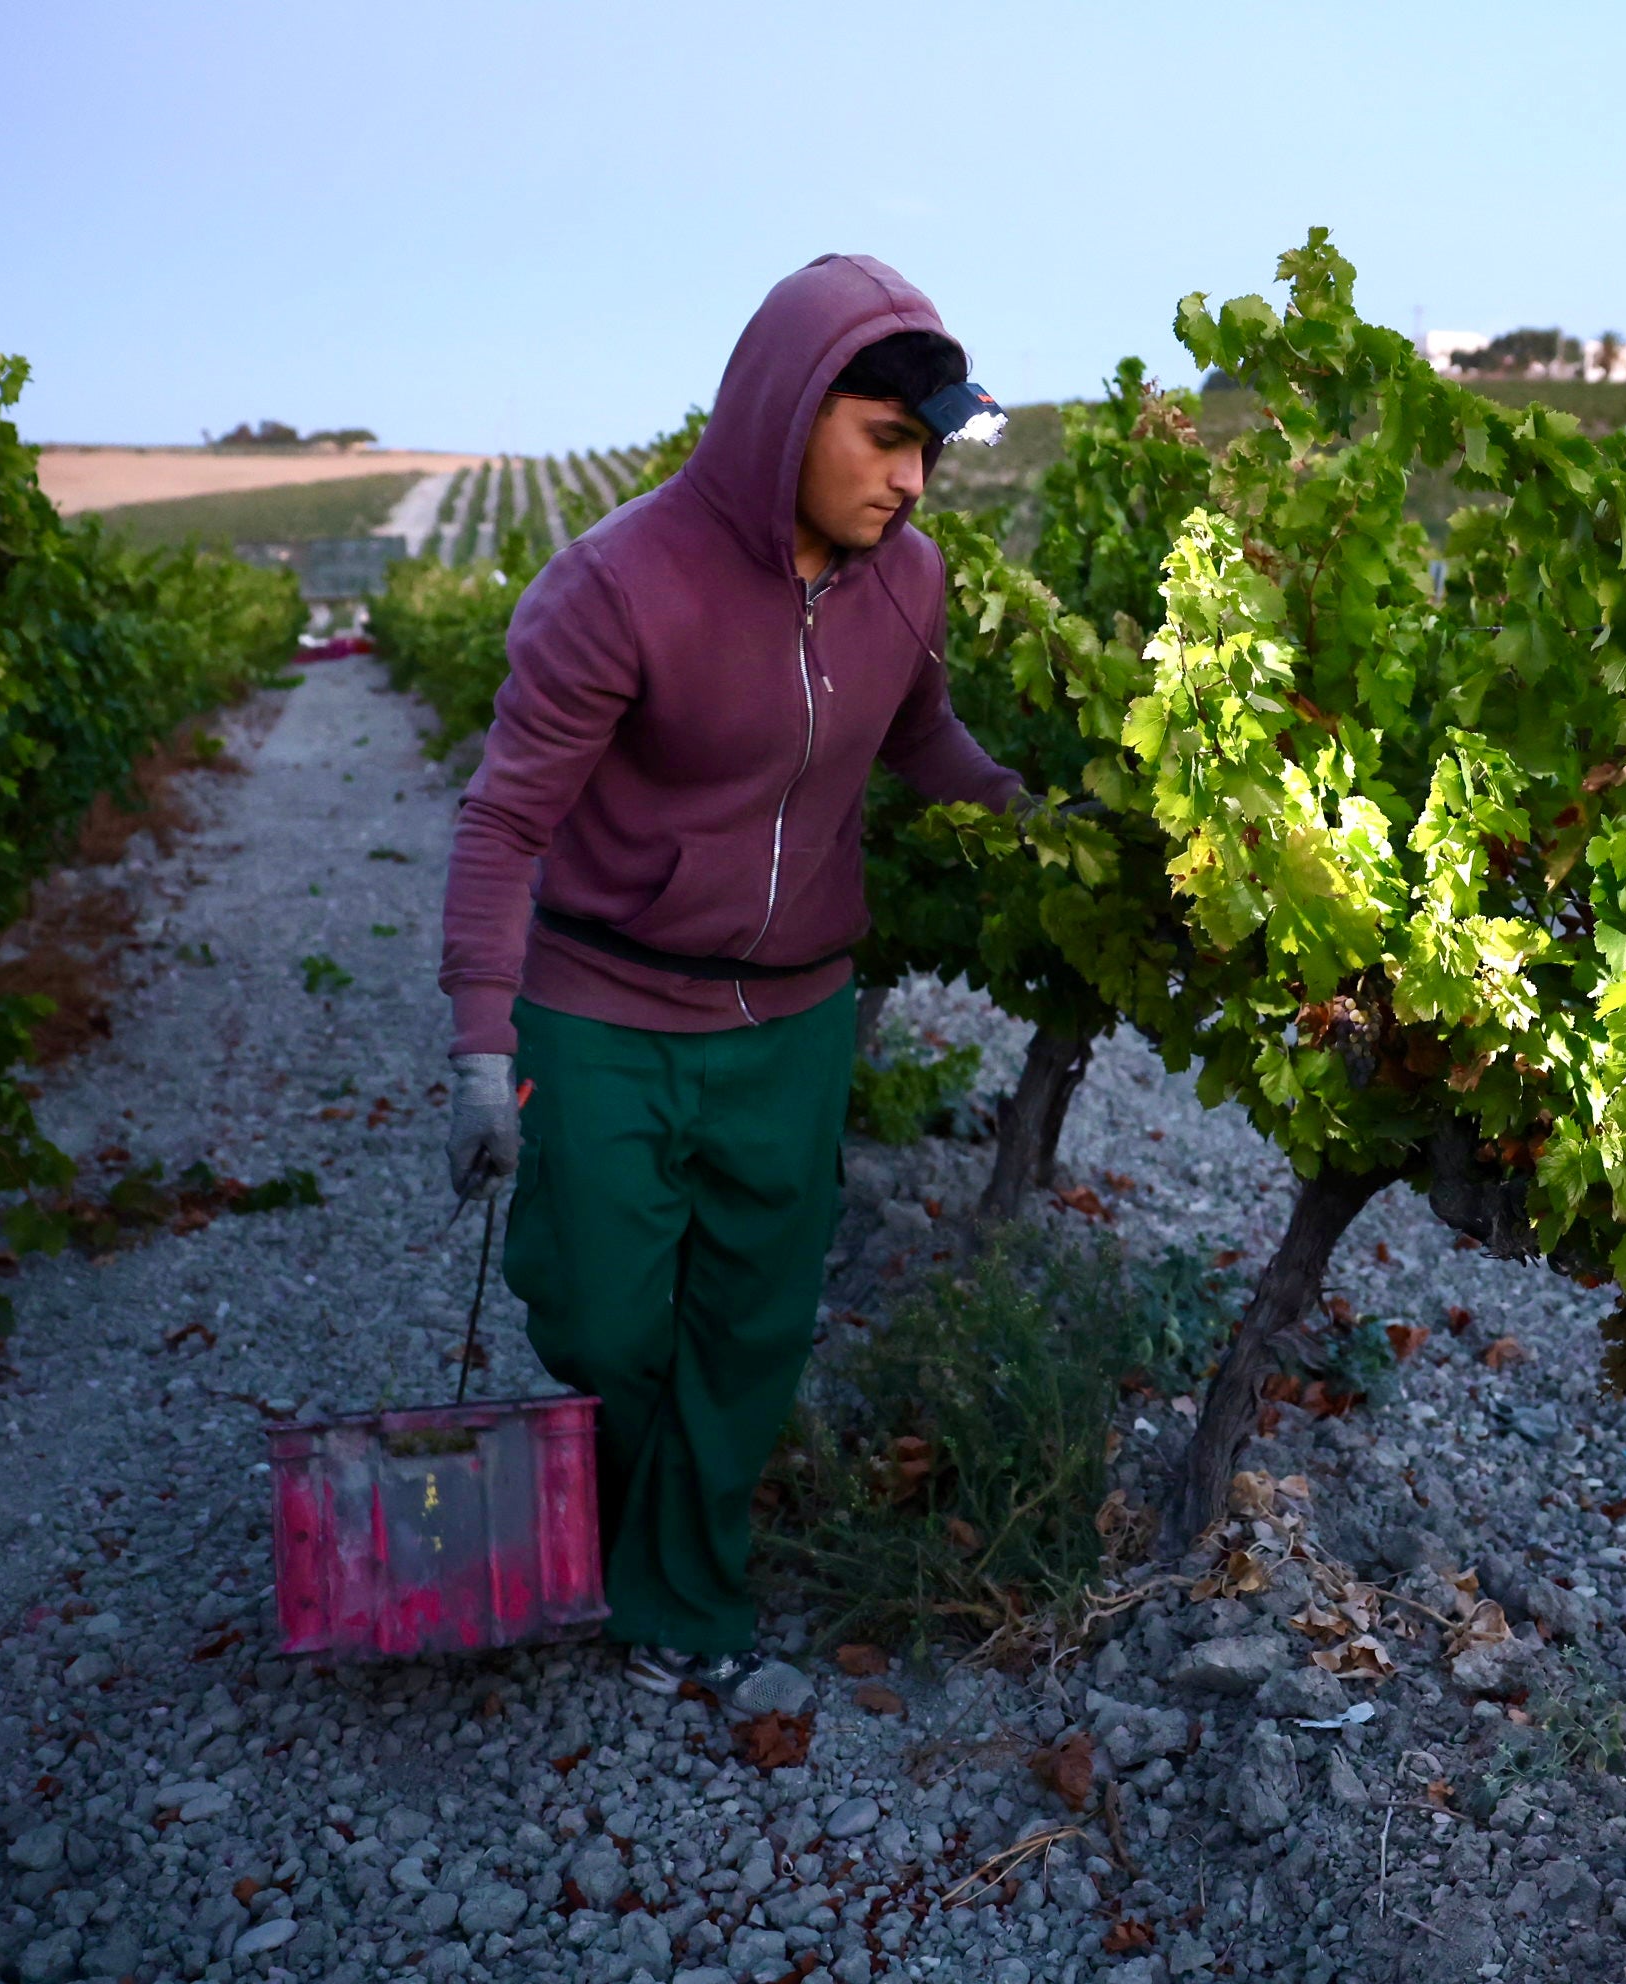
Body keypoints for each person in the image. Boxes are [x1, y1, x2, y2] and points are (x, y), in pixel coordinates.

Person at [436, 254, 1020, 1696]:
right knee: (600, 1315)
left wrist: (1035, 820)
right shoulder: (617, 586)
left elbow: (922, 736)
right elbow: (504, 823)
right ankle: (622, 1510)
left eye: (930, 452)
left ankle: (680, 1593)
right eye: (887, 441)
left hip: (795, 1020)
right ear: (790, 413)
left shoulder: (910, 579)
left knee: (751, 1327)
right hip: (604, 1009)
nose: (913, 483)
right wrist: (478, 1053)